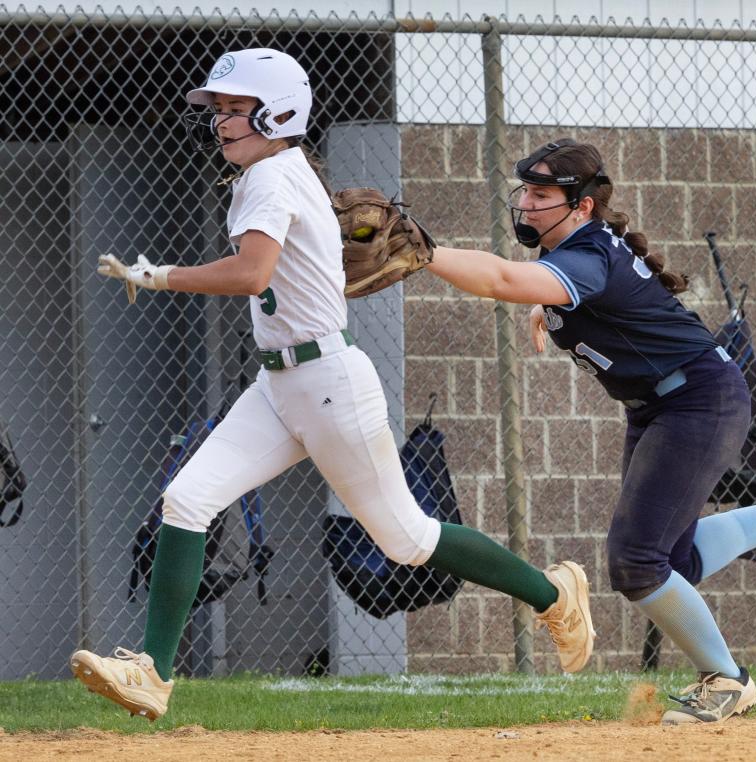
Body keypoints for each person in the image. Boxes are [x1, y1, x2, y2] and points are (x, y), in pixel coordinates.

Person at [70, 50, 594, 721]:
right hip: (280, 383)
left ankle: (553, 595)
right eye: (221, 110)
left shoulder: (270, 177)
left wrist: (162, 275)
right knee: (188, 499)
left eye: (237, 109)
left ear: (278, 113)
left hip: (326, 383)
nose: (223, 122)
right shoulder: (275, 173)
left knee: (407, 540)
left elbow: (253, 274)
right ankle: (151, 672)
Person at [424, 138, 756, 725]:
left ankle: (728, 681)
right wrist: (545, 306)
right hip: (664, 405)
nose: (526, 205)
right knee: (671, 562)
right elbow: (551, 286)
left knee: (636, 563)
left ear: (581, 207)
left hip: (697, 402)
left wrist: (424, 252)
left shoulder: (587, 257)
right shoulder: (578, 252)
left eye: (542, 194)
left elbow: (505, 279)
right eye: (524, 191)